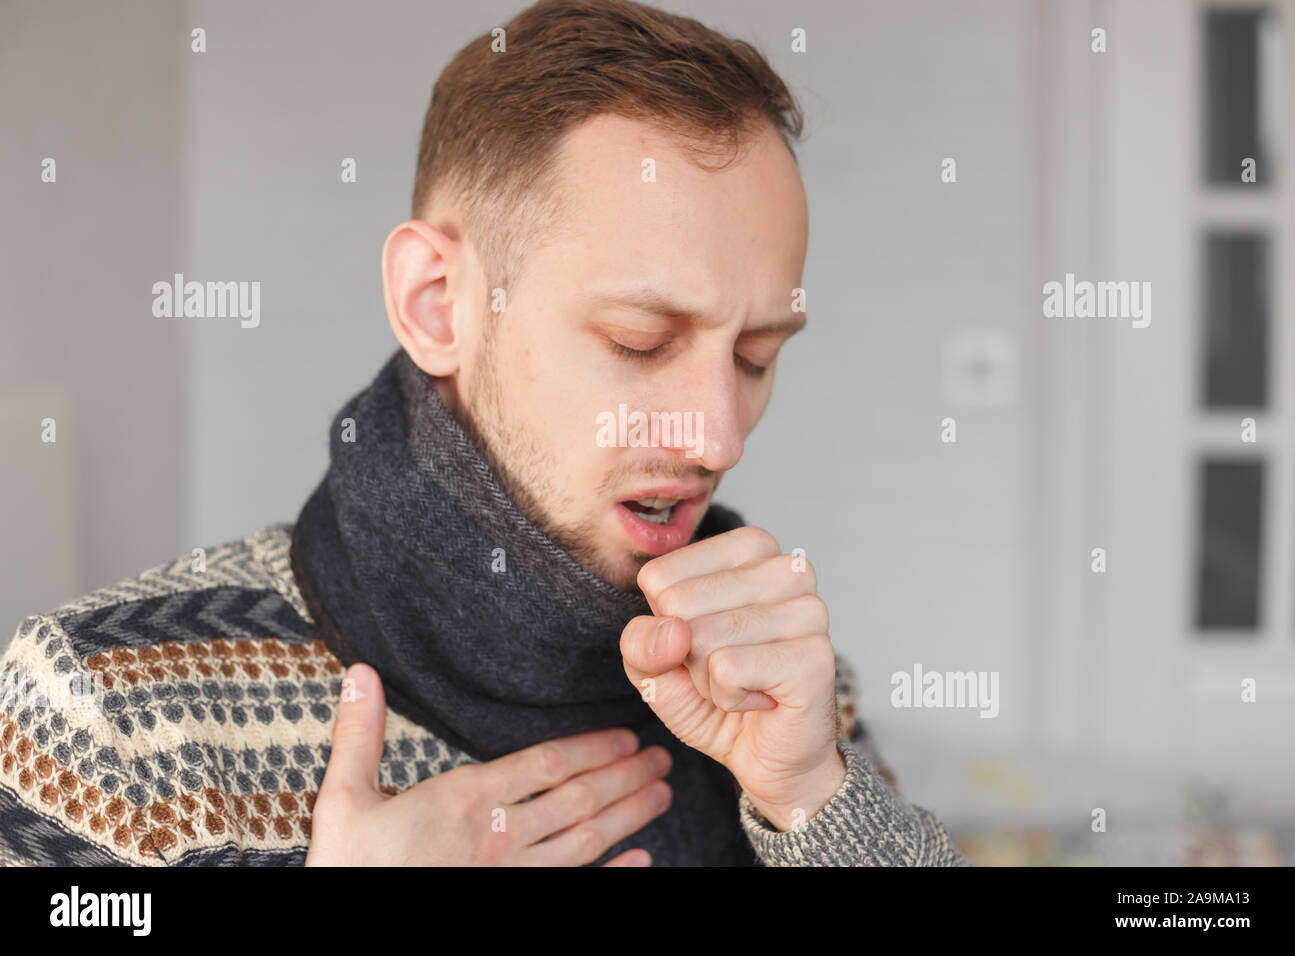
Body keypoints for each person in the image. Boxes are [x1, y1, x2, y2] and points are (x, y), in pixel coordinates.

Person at [0, 0, 968, 866]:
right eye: (640, 341)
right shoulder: (107, 710)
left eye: (756, 356)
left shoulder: (775, 681)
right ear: (436, 305)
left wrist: (813, 803)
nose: (718, 436)